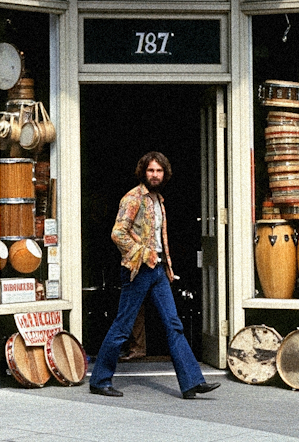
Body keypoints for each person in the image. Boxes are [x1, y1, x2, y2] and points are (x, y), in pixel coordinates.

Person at [89, 152, 219, 400]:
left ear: (165, 173)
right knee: (123, 325)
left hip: (157, 270)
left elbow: (160, 238)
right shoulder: (133, 198)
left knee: (173, 325)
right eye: (151, 171)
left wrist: (166, 265)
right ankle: (99, 380)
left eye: (159, 171)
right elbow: (118, 233)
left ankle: (191, 382)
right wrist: (142, 253)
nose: (155, 175)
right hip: (137, 270)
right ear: (143, 172)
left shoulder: (159, 200)